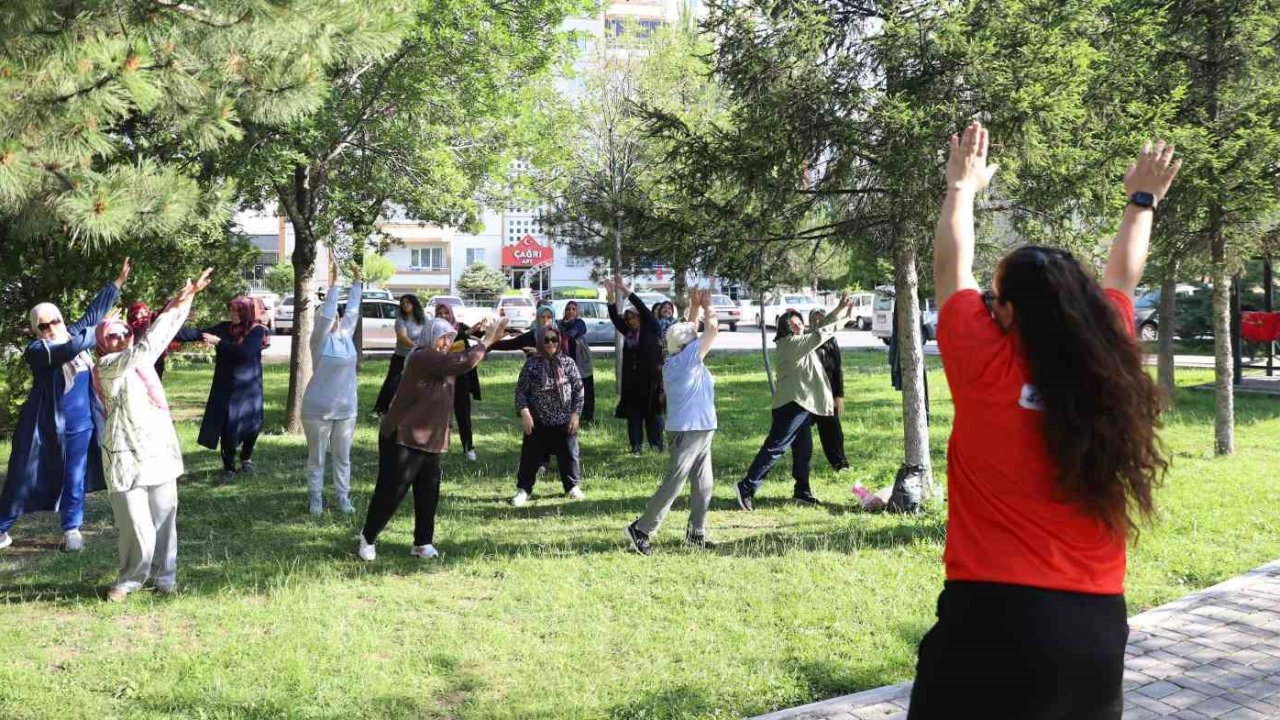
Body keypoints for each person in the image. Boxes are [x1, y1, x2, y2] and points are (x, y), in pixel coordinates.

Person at [907, 123, 1177, 720]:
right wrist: (1142, 199)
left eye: (995, 300)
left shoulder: (985, 362)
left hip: (989, 619)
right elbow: (1123, 276)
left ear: (1011, 313)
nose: (986, 306)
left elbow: (951, 266)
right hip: (1093, 631)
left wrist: (962, 188)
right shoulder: (1104, 357)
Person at [94, 268, 214, 601]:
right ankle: (131, 578)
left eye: (123, 334)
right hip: (125, 451)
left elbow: (156, 337)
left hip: (157, 447)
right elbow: (146, 346)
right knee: (134, 522)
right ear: (102, 344)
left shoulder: (141, 363)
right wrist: (175, 304)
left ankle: (165, 576)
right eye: (112, 336)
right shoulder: (107, 367)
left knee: (165, 513)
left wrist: (184, 299)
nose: (119, 340)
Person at [0, 259, 130, 552]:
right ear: (36, 329)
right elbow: (73, 347)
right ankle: (1, 528)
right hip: (43, 429)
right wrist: (97, 328)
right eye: (42, 325)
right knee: (22, 477)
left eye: (54, 321)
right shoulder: (39, 350)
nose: (50, 328)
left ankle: (72, 529)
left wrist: (117, 283)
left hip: (80, 425)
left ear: (60, 319)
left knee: (75, 477)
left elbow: (93, 313)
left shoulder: (73, 334)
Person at [358, 316, 508, 562]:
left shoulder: (443, 360)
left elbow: (465, 358)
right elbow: (464, 361)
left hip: (433, 438)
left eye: (449, 338)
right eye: (442, 337)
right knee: (392, 491)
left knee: (428, 492)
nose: (446, 342)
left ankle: (422, 542)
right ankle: (368, 537)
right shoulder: (422, 356)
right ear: (429, 336)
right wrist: (487, 340)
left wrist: (489, 339)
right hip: (403, 435)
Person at [734, 294, 855, 510]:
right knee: (776, 447)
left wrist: (838, 309)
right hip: (791, 405)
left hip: (802, 404)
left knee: (803, 450)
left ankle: (802, 491)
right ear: (786, 329)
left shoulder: (800, 341)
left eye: (800, 323)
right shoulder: (789, 344)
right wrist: (845, 319)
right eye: (795, 324)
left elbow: (821, 327)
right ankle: (746, 486)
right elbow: (821, 333)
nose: (800, 327)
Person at [625, 288, 720, 555]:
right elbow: (712, 328)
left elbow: (687, 330)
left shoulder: (679, 355)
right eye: (693, 338)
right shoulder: (686, 359)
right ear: (687, 346)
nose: (697, 336)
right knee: (673, 483)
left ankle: (696, 533)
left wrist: (694, 305)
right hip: (688, 432)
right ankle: (641, 529)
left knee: (704, 485)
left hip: (701, 430)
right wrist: (708, 306)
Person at [175, 296, 268, 483]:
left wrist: (219, 343)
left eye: (236, 311)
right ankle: (229, 467)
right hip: (226, 385)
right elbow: (195, 334)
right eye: (231, 310)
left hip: (248, 386)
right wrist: (167, 330)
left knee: (253, 425)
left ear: (245, 313)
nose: (232, 314)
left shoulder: (257, 331)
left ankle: (246, 458)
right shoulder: (224, 328)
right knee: (228, 427)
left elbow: (244, 353)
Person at [301, 263, 363, 515]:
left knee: (343, 457)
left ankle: (342, 497)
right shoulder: (318, 341)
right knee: (317, 458)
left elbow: (353, 311)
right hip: (317, 409)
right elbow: (327, 314)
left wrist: (358, 283)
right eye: (330, 317)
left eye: (338, 316)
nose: (336, 318)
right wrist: (335, 284)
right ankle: (315, 498)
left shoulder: (346, 335)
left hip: (346, 408)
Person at [510, 324, 585, 507]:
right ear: (540, 342)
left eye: (554, 339)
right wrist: (525, 413)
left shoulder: (568, 362)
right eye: (546, 340)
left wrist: (576, 414)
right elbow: (521, 392)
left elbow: (578, 389)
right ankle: (524, 490)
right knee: (530, 457)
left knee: (569, 454)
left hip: (564, 420)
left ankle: (572, 487)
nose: (551, 343)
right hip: (538, 421)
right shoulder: (532, 364)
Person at [604, 277, 665, 454]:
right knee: (634, 416)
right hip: (632, 383)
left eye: (633, 317)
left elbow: (640, 305)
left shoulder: (651, 327)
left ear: (640, 317)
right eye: (628, 318)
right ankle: (636, 446)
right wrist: (610, 296)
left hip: (652, 382)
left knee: (653, 415)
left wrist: (623, 289)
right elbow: (615, 318)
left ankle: (657, 445)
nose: (630, 321)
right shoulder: (629, 333)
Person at [434, 303, 485, 461]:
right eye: (440, 313)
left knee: (463, 415)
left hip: (461, 378)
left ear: (451, 314)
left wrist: (481, 329)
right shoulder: (434, 331)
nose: (443, 316)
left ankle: (468, 448)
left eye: (446, 313)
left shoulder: (460, 327)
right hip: (441, 378)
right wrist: (466, 333)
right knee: (440, 414)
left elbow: (476, 335)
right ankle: (438, 446)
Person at [808, 308, 852, 472]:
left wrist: (838, 395)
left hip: (826, 393)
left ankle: (840, 464)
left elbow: (837, 369)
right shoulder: (804, 339)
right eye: (815, 318)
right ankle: (800, 466)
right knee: (798, 431)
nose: (818, 321)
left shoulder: (831, 341)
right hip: (807, 393)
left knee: (832, 431)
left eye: (821, 318)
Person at [373, 294, 425, 414]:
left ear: (414, 304)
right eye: (403, 303)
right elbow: (402, 338)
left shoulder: (423, 319)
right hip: (401, 357)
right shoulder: (400, 320)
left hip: (417, 357)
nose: (405, 304)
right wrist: (417, 347)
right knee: (392, 384)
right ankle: (381, 409)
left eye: (408, 302)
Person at [558, 301, 595, 424]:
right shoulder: (559, 324)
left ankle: (588, 415)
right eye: (568, 309)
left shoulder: (579, 323)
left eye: (574, 309)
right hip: (566, 361)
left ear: (577, 311)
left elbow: (572, 334)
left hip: (581, 360)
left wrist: (561, 335)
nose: (571, 311)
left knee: (586, 387)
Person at [127, 302, 177, 380]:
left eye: (143, 312)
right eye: (137, 313)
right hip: (139, 359)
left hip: (156, 358)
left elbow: (164, 314)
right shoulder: (129, 330)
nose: (139, 315)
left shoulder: (153, 320)